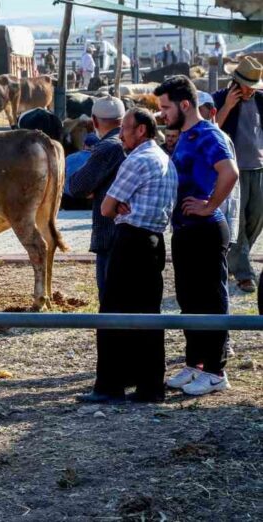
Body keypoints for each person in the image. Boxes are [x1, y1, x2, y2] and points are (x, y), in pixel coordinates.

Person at [79, 108, 178, 404]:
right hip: (154, 241)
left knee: (112, 313)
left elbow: (107, 209)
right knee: (148, 314)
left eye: (125, 128)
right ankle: (149, 386)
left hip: (130, 241)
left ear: (141, 131)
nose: (120, 134)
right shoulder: (164, 160)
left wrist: (118, 203)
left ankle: (110, 385)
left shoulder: (136, 161)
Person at [156, 75, 239, 396]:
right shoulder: (187, 135)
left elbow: (229, 172)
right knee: (189, 299)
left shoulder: (207, 134)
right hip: (185, 231)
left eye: (166, 107)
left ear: (185, 104)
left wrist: (209, 205)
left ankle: (217, 371)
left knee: (211, 298)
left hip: (206, 228)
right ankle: (196, 364)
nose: (162, 114)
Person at [67, 97, 127, 300]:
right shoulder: (136, 143)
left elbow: (77, 187)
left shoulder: (107, 147)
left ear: (94, 120)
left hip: (110, 232)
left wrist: (95, 185)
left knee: (110, 297)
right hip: (136, 232)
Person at [213, 57, 263, 293]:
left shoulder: (261, 100)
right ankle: (244, 273)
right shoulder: (220, 98)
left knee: (256, 218)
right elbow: (212, 129)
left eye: (254, 85)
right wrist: (228, 107)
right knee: (239, 222)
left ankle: (237, 257)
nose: (251, 89)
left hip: (259, 167)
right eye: (247, 84)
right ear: (236, 82)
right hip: (233, 169)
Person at [198, 91, 240, 243]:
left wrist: (210, 207)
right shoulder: (191, 136)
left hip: (213, 217)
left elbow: (230, 179)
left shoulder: (217, 139)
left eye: (200, 110)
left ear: (212, 112)